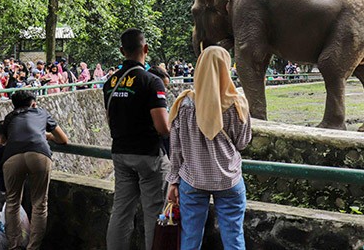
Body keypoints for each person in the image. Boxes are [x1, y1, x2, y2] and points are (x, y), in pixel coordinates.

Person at [166, 45, 252, 250]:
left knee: (190, 238)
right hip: (229, 180)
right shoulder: (236, 104)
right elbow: (242, 143)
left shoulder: (183, 104)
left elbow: (176, 149)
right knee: (234, 238)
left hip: (192, 179)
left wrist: (173, 181)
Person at [103, 28, 170, 250]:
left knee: (121, 210)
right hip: (148, 155)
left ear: (122, 51)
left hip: (120, 152)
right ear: (146, 49)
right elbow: (163, 126)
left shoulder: (110, 82)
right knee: (154, 211)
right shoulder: (152, 81)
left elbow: (110, 119)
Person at [2, 90, 68, 250]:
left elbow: (3, 140)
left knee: (12, 202)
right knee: (39, 204)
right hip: (38, 153)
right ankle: (33, 247)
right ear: (33, 103)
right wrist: (48, 136)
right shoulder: (41, 112)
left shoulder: (9, 118)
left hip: (12, 156)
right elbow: (63, 139)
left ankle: (14, 246)